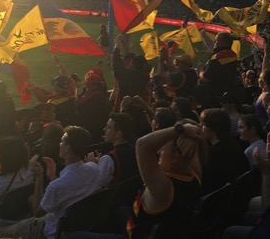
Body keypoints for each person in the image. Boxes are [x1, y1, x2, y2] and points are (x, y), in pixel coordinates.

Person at [69, 120, 206, 239]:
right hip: (158, 224)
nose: (157, 153)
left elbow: (142, 145)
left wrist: (179, 129)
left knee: (72, 236)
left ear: (174, 157)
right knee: (119, 210)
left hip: (134, 235)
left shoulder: (163, 186)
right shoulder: (193, 172)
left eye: (162, 150)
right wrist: (191, 137)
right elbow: (196, 142)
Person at [0, 126, 102, 239]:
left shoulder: (57, 186)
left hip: (53, 231)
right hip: (79, 224)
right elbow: (70, 190)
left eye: (62, 141)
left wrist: (39, 177)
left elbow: (37, 212)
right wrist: (54, 177)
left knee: (2, 232)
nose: (59, 144)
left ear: (67, 148)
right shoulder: (93, 169)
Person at [200, 108, 249, 194]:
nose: (200, 126)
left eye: (203, 124)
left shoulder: (211, 154)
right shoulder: (234, 145)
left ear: (213, 129)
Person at [91, 112, 139, 188]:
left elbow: (99, 185)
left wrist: (93, 166)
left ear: (118, 134)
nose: (104, 129)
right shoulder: (136, 150)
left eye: (109, 127)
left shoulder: (108, 159)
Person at [199, 31, 240, 107]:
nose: (215, 42)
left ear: (224, 42)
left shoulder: (218, 58)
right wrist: (204, 36)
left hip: (214, 97)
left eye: (217, 40)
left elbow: (206, 78)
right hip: (226, 93)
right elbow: (213, 48)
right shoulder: (232, 54)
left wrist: (200, 71)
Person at [75, 70, 112, 144]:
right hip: (94, 127)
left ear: (96, 85)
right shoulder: (99, 93)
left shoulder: (96, 98)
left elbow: (78, 106)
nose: (87, 87)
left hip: (92, 128)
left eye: (89, 85)